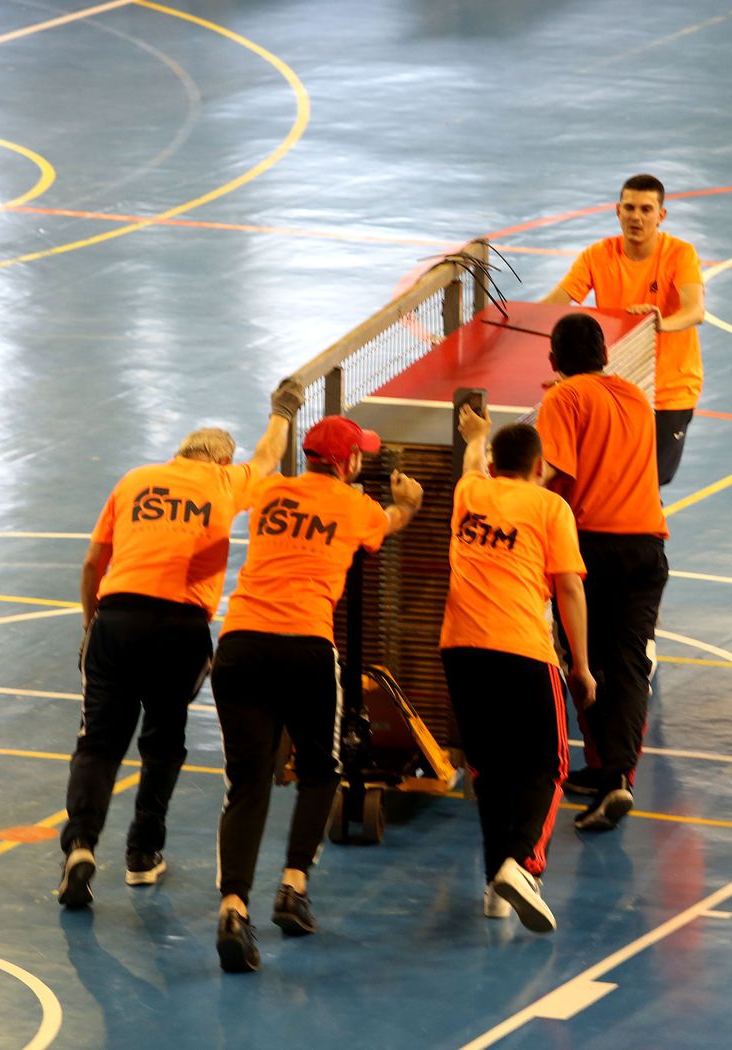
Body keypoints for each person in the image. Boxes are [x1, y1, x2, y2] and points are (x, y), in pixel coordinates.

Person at [57, 380, 299, 909]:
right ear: (221, 458)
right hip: (179, 629)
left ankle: (79, 846)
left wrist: (90, 626)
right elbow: (268, 457)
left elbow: (93, 563)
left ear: (179, 452)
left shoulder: (135, 480)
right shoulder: (225, 480)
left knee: (98, 743)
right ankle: (143, 855)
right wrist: (283, 409)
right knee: (163, 742)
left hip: (116, 620)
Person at [210, 415, 422, 973]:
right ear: (349, 463)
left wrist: (280, 410)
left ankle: (233, 908)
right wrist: (412, 501)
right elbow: (394, 520)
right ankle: (293, 886)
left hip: (240, 643)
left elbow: (260, 456)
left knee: (248, 782)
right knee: (321, 768)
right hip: (304, 646)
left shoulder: (270, 489)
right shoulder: (356, 508)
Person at [440, 404, 596, 932]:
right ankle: (524, 866)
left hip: (460, 650)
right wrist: (582, 664)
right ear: (539, 467)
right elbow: (570, 587)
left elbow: (468, 468)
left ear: (495, 463)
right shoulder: (551, 508)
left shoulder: (469, 495)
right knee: (546, 768)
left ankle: (494, 888)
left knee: (491, 773)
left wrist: (476, 436)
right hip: (523, 649)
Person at [537, 313, 670, 831]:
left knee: (585, 662)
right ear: (606, 357)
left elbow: (551, 473)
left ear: (553, 361)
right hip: (647, 548)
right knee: (631, 664)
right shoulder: (637, 397)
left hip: (591, 548)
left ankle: (608, 772)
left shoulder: (561, 399)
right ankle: (614, 776)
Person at [540, 173, 706, 486]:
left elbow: (695, 311)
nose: (636, 217)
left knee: (649, 481)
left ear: (661, 215)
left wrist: (659, 324)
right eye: (629, 208)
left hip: (669, 390)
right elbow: (554, 304)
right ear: (618, 211)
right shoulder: (598, 255)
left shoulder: (680, 254)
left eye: (646, 209)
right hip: (616, 386)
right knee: (609, 479)